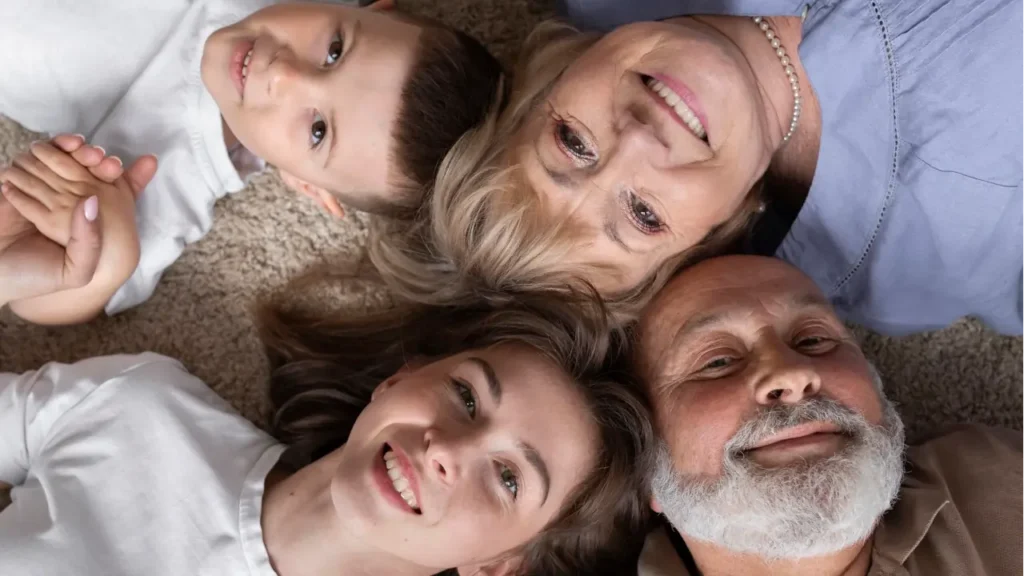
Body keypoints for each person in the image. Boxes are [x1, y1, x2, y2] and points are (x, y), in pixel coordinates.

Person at [371, 0, 1024, 334]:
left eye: (572, 142)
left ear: (548, 78)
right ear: (711, 240)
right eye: (644, 214)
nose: (637, 140)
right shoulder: (930, 255)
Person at [0, 281, 654, 575]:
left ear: (498, 568)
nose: (447, 449)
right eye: (465, 395)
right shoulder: (140, 406)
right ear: (401, 377)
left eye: (509, 478)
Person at [0, 0, 502, 324]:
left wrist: (106, 263)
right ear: (372, 9)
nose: (284, 73)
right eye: (334, 50)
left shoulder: (171, 175)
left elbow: (37, 287)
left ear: (307, 186)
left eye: (317, 130)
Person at [632, 254, 1024, 576]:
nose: (793, 375)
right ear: (641, 458)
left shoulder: (999, 477)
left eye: (814, 340)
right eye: (717, 361)